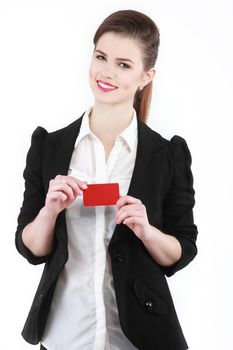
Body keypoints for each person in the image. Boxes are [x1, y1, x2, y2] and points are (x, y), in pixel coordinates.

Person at [15, 9, 198, 350]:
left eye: (124, 64)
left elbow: (182, 250)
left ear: (146, 76)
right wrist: (50, 210)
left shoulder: (167, 155)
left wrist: (147, 231)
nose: (107, 72)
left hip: (140, 339)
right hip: (65, 335)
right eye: (101, 57)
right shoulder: (48, 147)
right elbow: (30, 248)